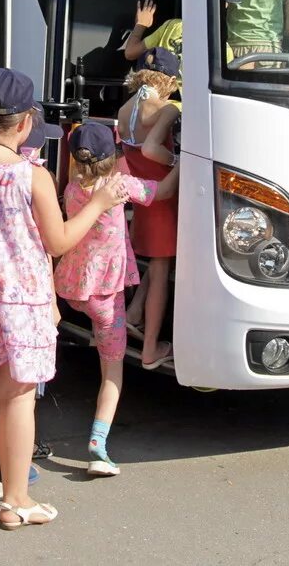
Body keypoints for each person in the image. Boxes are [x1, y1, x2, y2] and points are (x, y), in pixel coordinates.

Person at [0, 68, 126, 538]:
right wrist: (98, 205)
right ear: (24, 123)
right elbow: (58, 242)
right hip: (23, 304)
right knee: (18, 402)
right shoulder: (31, 176)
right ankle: (14, 501)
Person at [56, 122, 178, 477]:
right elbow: (165, 191)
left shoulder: (71, 188)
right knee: (113, 369)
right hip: (107, 296)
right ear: (114, 157)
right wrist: (185, 159)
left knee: (100, 333)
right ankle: (98, 443)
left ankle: (102, 331)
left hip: (74, 289)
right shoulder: (119, 187)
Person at [116, 48, 181, 369]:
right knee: (160, 273)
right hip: (165, 199)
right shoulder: (166, 108)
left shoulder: (125, 108)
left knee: (154, 267)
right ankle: (151, 350)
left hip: (144, 199)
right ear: (170, 80)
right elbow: (154, 149)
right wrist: (179, 162)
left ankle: (134, 313)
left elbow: (136, 151)